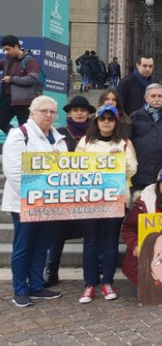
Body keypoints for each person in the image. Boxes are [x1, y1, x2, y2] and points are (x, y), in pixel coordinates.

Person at [3, 96, 67, 307]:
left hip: (50, 204)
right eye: (44, 111)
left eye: (52, 112)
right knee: (24, 246)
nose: (49, 115)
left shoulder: (58, 138)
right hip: (25, 203)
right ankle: (20, 290)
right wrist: (38, 192)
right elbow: (13, 171)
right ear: (32, 112)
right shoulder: (19, 135)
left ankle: (37, 285)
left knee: (42, 246)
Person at [76, 104, 138, 304]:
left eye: (110, 119)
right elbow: (75, 165)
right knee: (91, 241)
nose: (106, 122)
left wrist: (117, 161)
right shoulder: (86, 142)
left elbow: (133, 168)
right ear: (97, 121)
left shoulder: (123, 143)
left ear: (115, 122)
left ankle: (107, 281)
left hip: (115, 197)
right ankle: (89, 283)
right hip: (90, 198)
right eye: (103, 119)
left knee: (110, 241)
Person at [42, 95, 96, 287]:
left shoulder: (95, 133)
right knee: (58, 233)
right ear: (70, 113)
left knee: (91, 233)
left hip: (90, 191)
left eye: (83, 110)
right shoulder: (58, 133)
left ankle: (92, 272)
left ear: (89, 113)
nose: (79, 113)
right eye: (75, 110)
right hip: (64, 191)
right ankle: (52, 268)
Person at [130, 83, 162, 192]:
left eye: (160, 96)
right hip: (140, 172)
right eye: (153, 96)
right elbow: (128, 142)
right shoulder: (135, 117)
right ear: (146, 98)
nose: (156, 99)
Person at [0, 35, 42, 135]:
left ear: (16, 46)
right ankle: (17, 136)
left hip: (24, 102)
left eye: (8, 49)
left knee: (27, 129)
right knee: (1, 122)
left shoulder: (30, 60)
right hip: (8, 99)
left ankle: (25, 144)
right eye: (4, 50)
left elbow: (32, 78)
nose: (6, 52)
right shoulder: (7, 60)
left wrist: (12, 79)